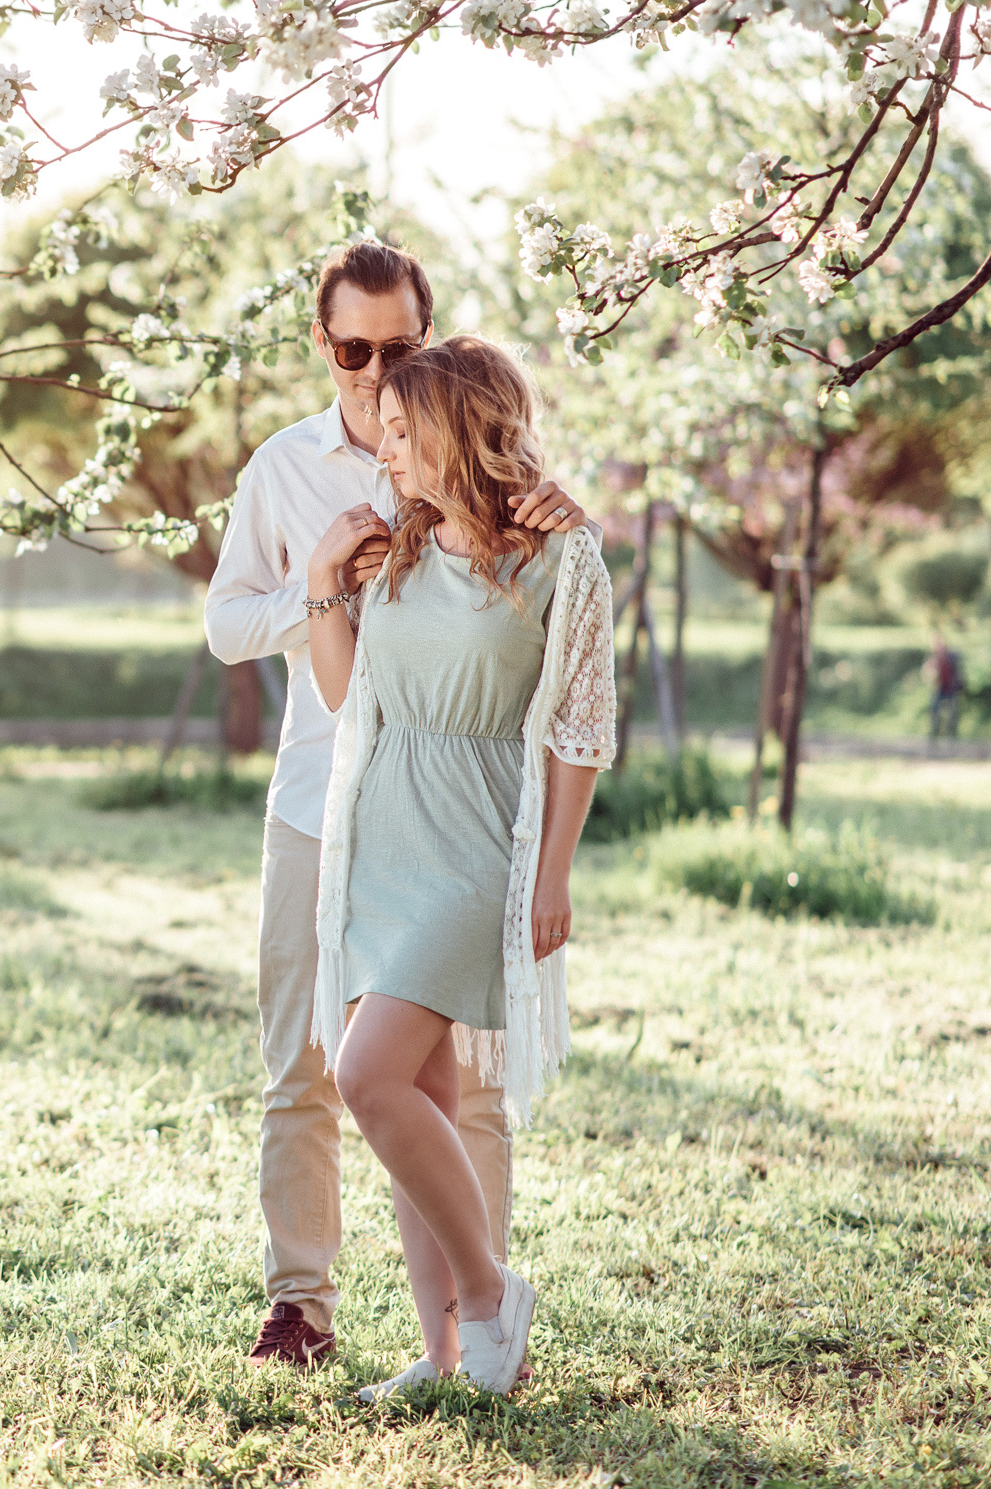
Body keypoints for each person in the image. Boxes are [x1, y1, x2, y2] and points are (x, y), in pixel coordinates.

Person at [203, 240, 586, 1369]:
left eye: (401, 347)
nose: (377, 373)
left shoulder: (485, 469)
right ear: (324, 345)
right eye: (355, 348)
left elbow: (555, 626)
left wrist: (550, 500)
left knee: (464, 1089)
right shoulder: (284, 469)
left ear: (430, 339)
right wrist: (322, 581)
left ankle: (479, 1319)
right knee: (305, 1070)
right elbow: (229, 627)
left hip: (454, 825)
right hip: (321, 807)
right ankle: (301, 1304)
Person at [305, 335, 616, 1398]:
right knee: (416, 1101)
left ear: (457, 428)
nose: (384, 449)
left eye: (401, 430)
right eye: (381, 430)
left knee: (365, 1076)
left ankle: (488, 1296)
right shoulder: (394, 547)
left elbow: (579, 731)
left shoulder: (559, 558)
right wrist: (317, 584)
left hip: (477, 844)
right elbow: (349, 696)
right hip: (382, 838)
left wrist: (553, 878)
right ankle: (445, 1356)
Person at [927, 629, 964, 746]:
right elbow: (929, 673)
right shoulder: (934, 658)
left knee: (952, 714)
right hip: (940, 688)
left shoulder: (952, 656)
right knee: (935, 712)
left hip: (950, 688)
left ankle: (952, 737)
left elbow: (958, 671)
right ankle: (935, 737)